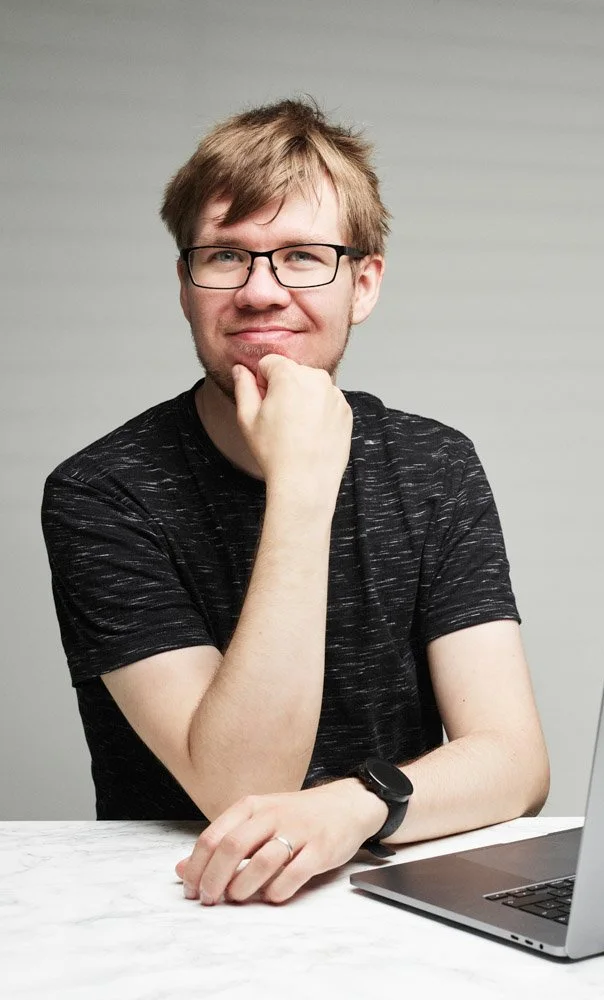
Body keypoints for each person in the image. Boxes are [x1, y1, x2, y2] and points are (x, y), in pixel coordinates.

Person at [40, 97, 549, 906]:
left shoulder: (435, 464)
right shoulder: (103, 490)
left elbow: (514, 762)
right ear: (185, 285)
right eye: (225, 257)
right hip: (185, 908)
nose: (260, 291)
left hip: (391, 887)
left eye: (304, 256)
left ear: (365, 281)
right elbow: (241, 786)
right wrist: (303, 484)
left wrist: (357, 805)